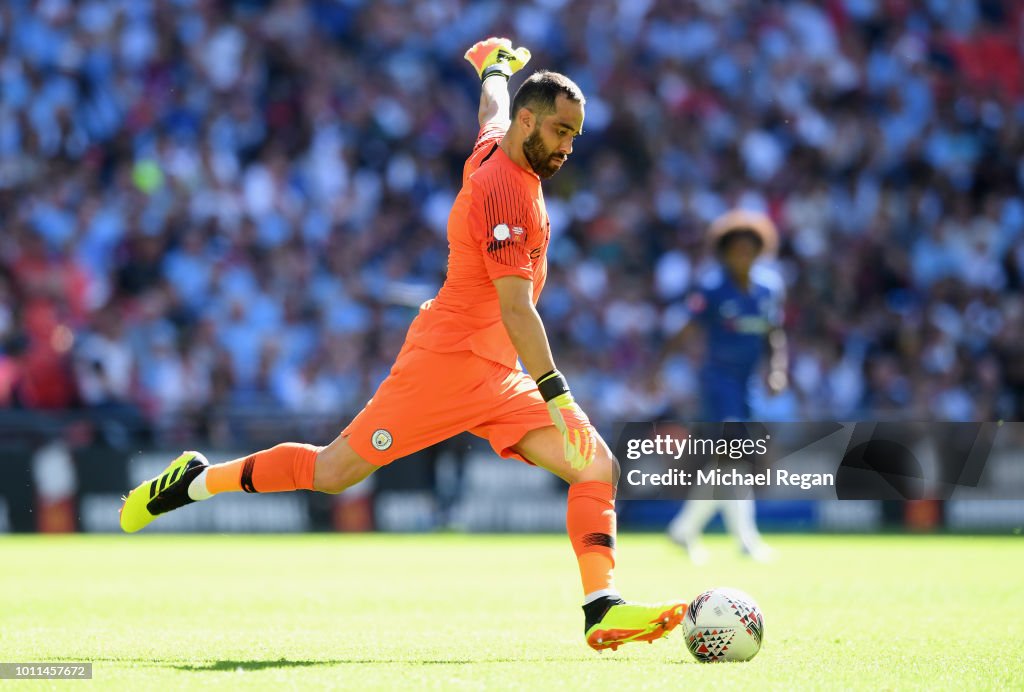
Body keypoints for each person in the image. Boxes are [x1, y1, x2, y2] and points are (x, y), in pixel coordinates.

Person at [120, 37, 686, 652]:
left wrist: (493, 68)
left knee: (596, 464)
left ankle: (601, 608)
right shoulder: (504, 190)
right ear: (531, 122)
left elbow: (492, 111)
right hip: (446, 364)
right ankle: (196, 480)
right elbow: (516, 308)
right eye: (560, 131)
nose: (569, 146)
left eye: (575, 135)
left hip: (493, 370)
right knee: (334, 472)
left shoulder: (503, 144)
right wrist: (560, 399)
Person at [665, 210, 787, 563]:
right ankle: (746, 540)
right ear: (724, 252)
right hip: (718, 382)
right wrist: (659, 364)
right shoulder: (712, 288)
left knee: (729, 461)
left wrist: (777, 369)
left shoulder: (769, 287)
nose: (743, 256)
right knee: (736, 454)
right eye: (736, 250)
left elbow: (774, 334)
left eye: (749, 250)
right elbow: (688, 330)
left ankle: (684, 529)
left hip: (747, 384)